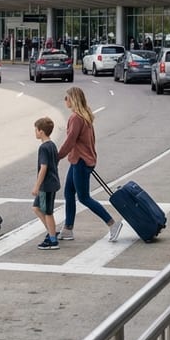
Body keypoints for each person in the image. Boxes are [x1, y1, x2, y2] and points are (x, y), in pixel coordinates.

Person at [57, 86, 122, 242]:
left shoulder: (76, 118)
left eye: (66, 98)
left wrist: (57, 156)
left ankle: (112, 223)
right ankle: (68, 229)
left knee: (84, 197)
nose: (65, 101)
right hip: (79, 160)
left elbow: (70, 141)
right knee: (68, 194)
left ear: (73, 99)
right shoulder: (85, 116)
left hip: (80, 161)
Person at [31, 117, 61, 250]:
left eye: (36, 130)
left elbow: (43, 167)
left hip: (46, 185)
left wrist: (37, 185)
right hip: (52, 182)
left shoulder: (43, 147)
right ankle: (51, 231)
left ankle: (53, 240)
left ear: (41, 131)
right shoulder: (52, 145)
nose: (35, 133)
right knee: (36, 208)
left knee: (48, 212)